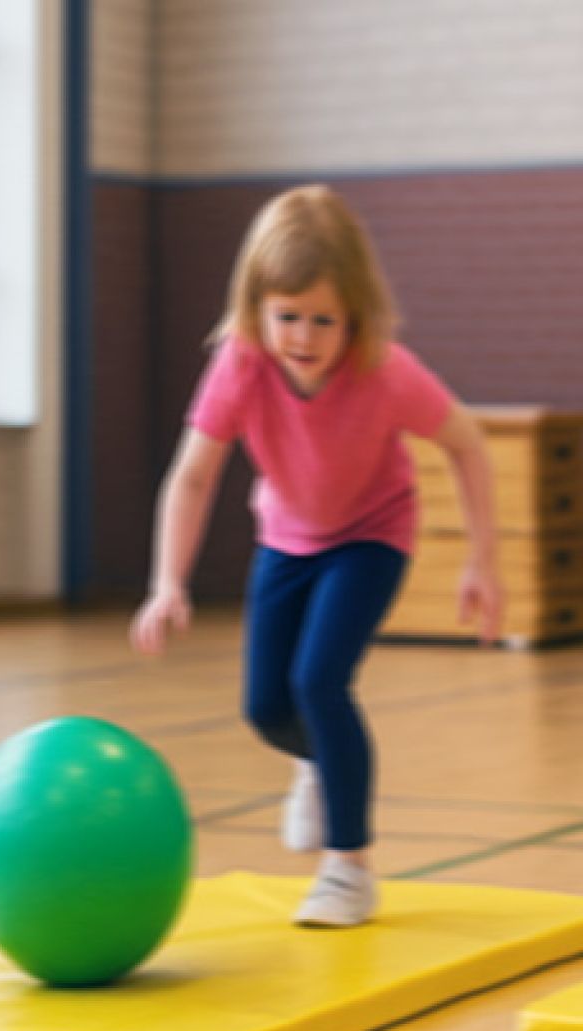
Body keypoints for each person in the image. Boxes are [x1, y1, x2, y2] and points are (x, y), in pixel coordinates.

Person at [131, 184, 504, 928]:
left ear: (355, 315)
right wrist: (166, 581)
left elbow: (468, 445)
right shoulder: (240, 365)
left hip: (371, 534)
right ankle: (315, 764)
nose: (303, 337)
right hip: (287, 537)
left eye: (322, 320)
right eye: (286, 318)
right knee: (267, 705)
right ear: (257, 310)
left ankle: (349, 869)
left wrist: (482, 562)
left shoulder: (386, 370)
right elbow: (194, 473)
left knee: (320, 681)